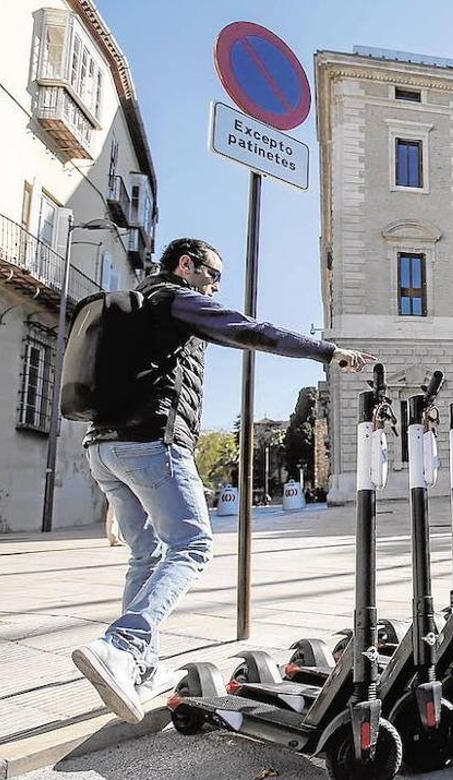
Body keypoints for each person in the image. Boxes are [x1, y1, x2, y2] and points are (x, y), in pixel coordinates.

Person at [72, 238, 373, 723]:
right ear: (186, 265)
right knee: (192, 546)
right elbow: (249, 330)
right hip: (153, 441)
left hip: (102, 447)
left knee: (145, 554)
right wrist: (326, 351)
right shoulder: (174, 298)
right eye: (212, 275)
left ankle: (139, 668)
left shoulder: (131, 307)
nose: (215, 286)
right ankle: (121, 646)